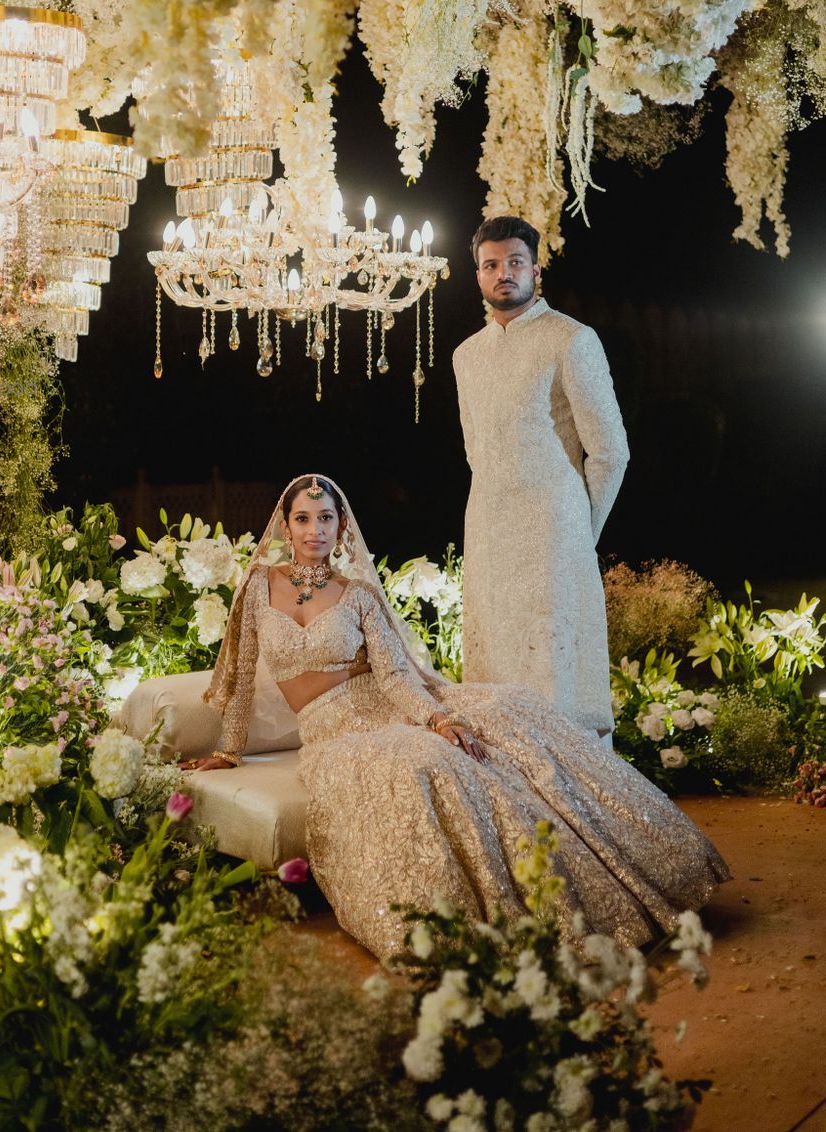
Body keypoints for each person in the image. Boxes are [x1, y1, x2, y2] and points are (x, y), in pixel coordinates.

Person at [181, 474, 727, 961]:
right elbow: (242, 670)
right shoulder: (258, 587)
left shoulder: (359, 595)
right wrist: (230, 750)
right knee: (419, 762)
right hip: (332, 730)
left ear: (342, 527)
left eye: (326, 518)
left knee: (509, 712)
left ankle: (631, 875)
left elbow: (396, 677)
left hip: (385, 705)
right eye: (303, 518)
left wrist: (438, 719)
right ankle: (463, 923)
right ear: (285, 524)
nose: (315, 529)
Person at [452, 216, 629, 739]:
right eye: (491, 265)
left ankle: (573, 796)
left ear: (535, 269)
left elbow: (611, 450)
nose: (503, 273)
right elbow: (474, 450)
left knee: (554, 672)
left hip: (553, 528)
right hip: (487, 525)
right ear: (478, 275)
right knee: (497, 662)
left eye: (514, 263)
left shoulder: (570, 339)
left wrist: (580, 525)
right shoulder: (467, 355)